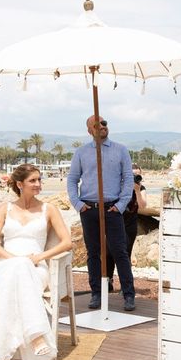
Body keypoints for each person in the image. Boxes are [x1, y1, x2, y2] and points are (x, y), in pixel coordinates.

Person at [0, 164, 72, 360]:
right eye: (33, 181)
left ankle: (3, 354)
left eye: (39, 180)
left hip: (36, 266)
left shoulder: (49, 209)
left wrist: (39, 257)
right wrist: (14, 259)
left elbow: (66, 242)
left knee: (19, 274)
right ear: (19, 184)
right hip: (6, 264)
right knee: (18, 268)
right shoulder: (6, 208)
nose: (38, 184)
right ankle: (36, 336)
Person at [67, 115, 136, 311]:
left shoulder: (121, 150)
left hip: (112, 209)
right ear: (90, 130)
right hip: (89, 209)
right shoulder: (81, 153)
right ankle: (96, 293)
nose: (102, 126)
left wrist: (121, 204)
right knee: (93, 253)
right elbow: (72, 179)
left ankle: (129, 294)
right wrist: (78, 204)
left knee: (119, 251)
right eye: (97, 125)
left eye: (105, 123)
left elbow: (128, 179)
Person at [106, 163, 147, 292]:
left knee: (125, 253)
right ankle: (108, 280)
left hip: (130, 225)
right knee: (109, 252)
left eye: (137, 175)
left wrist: (137, 191)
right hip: (115, 222)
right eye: (132, 174)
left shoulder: (141, 188)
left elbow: (143, 206)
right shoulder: (119, 187)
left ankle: (126, 284)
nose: (135, 177)